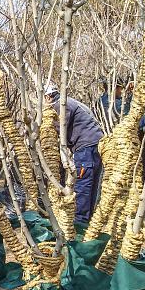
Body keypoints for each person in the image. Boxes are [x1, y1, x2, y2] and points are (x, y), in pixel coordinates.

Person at [45, 84, 105, 223]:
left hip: (86, 148)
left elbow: (60, 127)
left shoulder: (62, 105)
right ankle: (88, 220)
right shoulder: (70, 101)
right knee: (91, 185)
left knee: (83, 185)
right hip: (95, 146)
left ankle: (80, 223)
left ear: (48, 97)